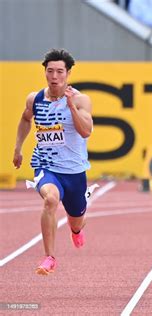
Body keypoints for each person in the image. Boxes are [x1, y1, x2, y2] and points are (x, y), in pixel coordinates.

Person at [13, 49, 93, 276]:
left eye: (59, 71)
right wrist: (18, 148)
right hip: (45, 165)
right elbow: (25, 119)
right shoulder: (35, 99)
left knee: (76, 221)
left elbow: (85, 131)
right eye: (50, 71)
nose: (54, 76)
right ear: (45, 73)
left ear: (68, 74)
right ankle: (49, 257)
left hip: (74, 171)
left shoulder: (80, 100)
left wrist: (70, 107)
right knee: (50, 199)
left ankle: (76, 230)